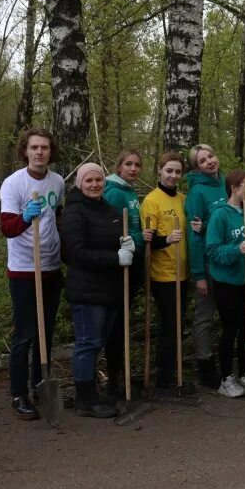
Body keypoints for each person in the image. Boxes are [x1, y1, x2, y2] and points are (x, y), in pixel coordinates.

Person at [0, 128, 66, 420]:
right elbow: (7, 228)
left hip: (51, 266)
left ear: (51, 152)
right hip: (25, 269)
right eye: (34, 147)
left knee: (45, 333)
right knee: (25, 335)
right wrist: (26, 218)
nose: (40, 152)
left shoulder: (58, 181)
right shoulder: (14, 184)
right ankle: (18, 394)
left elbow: (58, 217)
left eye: (45, 148)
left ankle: (41, 385)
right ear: (25, 151)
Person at [60, 163, 128, 418]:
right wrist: (115, 258)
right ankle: (85, 399)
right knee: (88, 343)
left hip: (109, 288)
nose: (94, 184)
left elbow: (113, 238)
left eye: (98, 179)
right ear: (79, 183)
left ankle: (91, 391)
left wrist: (126, 244)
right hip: (87, 289)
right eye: (88, 180)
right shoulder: (74, 212)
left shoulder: (108, 209)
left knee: (97, 342)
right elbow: (75, 253)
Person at [206, 170, 245, 398]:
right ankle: (226, 379)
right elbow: (212, 250)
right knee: (230, 330)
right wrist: (237, 250)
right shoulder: (220, 215)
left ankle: (243, 373)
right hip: (227, 283)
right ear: (234, 187)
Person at [102, 150, 152, 397]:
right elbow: (110, 229)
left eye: (137, 165)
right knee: (116, 323)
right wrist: (128, 243)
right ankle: (114, 378)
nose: (133, 169)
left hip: (134, 261)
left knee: (124, 321)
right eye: (128, 164)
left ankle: (121, 373)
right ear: (119, 166)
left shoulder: (130, 191)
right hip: (120, 265)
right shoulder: (113, 191)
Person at [139, 151, 190, 393]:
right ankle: (164, 377)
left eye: (178, 171)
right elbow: (149, 240)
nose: (173, 175)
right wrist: (167, 239)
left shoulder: (182, 199)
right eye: (169, 170)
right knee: (170, 326)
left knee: (179, 326)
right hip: (163, 274)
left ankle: (173, 373)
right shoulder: (152, 200)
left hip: (184, 273)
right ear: (160, 171)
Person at [185, 144, 228, 389]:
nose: (209, 161)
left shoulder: (226, 183)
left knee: (229, 315)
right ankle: (204, 364)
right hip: (208, 265)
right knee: (204, 316)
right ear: (197, 167)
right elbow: (195, 236)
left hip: (229, 262)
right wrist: (199, 274)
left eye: (211, 156)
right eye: (202, 160)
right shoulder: (197, 193)